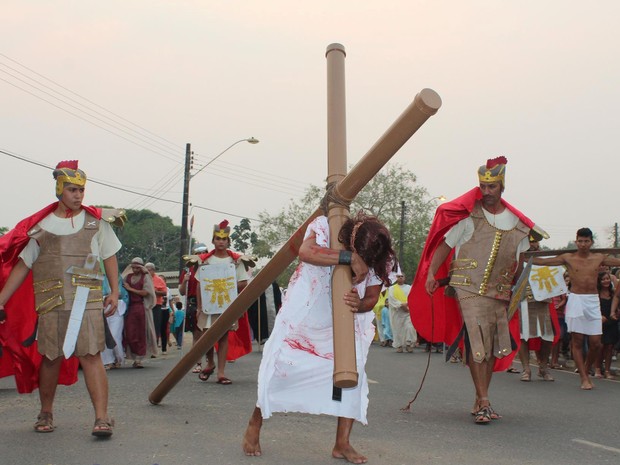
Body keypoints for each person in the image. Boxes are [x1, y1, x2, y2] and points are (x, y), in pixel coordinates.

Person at [242, 212, 394, 463]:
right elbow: (306, 251)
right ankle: (255, 422)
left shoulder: (381, 255)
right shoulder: (326, 226)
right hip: (306, 312)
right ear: (350, 240)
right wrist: (348, 258)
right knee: (279, 369)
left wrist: (361, 303)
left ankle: (342, 443)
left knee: (350, 377)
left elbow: (372, 297)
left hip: (345, 319)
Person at [410, 157, 546, 424]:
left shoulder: (519, 227)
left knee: (492, 346)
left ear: (502, 186)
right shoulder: (468, 216)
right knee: (477, 342)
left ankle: (480, 396)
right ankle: (484, 401)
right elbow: (444, 246)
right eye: (483, 186)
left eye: (492, 187)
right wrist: (430, 274)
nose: (486, 192)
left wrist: (518, 288)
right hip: (467, 288)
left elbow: (518, 268)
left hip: (499, 292)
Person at [0, 160, 123, 437]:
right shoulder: (41, 227)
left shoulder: (96, 222)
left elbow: (109, 256)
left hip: (88, 298)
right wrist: (1, 299)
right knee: (51, 358)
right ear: (59, 189)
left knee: (92, 355)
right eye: (72, 189)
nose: (78, 195)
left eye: (81, 189)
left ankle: (102, 418)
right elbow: (22, 266)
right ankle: (46, 412)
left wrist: (114, 291)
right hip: (52, 300)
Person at [532, 227, 620, 389]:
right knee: (577, 341)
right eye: (580, 241)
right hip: (575, 300)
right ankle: (584, 378)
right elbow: (543, 261)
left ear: (591, 242)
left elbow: (616, 261)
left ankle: (585, 370)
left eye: (586, 241)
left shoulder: (598, 257)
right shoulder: (568, 257)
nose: (583, 244)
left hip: (593, 301)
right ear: (576, 241)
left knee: (596, 343)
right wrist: (521, 256)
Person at [194, 220, 251, 384]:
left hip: (226, 304)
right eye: (217, 238)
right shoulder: (205, 260)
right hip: (208, 304)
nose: (220, 241)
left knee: (223, 336)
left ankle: (221, 372)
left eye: (224, 238)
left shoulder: (235, 261)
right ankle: (210, 363)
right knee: (207, 336)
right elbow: (199, 284)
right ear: (213, 240)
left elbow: (243, 283)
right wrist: (199, 307)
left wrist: (226, 284)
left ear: (228, 241)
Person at [517, 237, 557, 382]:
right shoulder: (517, 257)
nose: (533, 245)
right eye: (530, 241)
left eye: (535, 242)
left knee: (547, 336)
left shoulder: (545, 258)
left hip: (543, 300)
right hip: (524, 300)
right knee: (524, 335)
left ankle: (543, 367)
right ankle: (526, 368)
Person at [178, 243, 209, 373]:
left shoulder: (210, 268)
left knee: (207, 334)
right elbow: (182, 292)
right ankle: (198, 363)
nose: (200, 255)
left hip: (208, 303)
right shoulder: (188, 271)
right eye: (198, 253)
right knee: (196, 335)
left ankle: (209, 360)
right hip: (193, 303)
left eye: (203, 252)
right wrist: (185, 281)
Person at [122, 257, 157, 368]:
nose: (135, 269)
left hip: (141, 307)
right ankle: (132, 355)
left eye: (137, 267)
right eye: (133, 267)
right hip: (130, 308)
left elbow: (146, 292)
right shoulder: (127, 277)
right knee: (130, 333)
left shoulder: (145, 277)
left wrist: (131, 289)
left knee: (141, 333)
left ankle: (139, 359)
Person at [102, 272, 129, 370]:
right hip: (104, 310)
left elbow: (126, 298)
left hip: (117, 311)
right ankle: (109, 361)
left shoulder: (121, 283)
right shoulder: (101, 281)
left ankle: (119, 359)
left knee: (115, 336)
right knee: (104, 336)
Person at [596, 271, 617, 379]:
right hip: (599, 322)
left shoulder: (614, 293)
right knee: (600, 346)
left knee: (609, 346)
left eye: (607, 279)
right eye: (603, 279)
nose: (606, 281)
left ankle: (607, 370)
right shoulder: (596, 294)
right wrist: (599, 316)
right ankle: (598, 368)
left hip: (612, 321)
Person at [387, 273, 415, 353]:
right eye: (398, 276)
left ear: (404, 278)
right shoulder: (392, 288)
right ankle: (399, 346)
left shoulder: (409, 288)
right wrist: (402, 305)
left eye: (402, 276)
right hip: (397, 312)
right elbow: (392, 300)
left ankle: (409, 345)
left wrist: (406, 306)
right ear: (396, 278)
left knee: (409, 327)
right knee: (398, 329)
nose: (400, 278)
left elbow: (412, 297)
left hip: (408, 312)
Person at [145, 262, 167, 354]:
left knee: (155, 326)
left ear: (153, 270)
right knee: (146, 327)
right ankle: (147, 348)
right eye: (145, 270)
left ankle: (155, 348)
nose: (146, 271)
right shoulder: (144, 279)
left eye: (148, 270)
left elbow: (164, 293)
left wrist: (155, 292)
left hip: (156, 305)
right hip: (145, 305)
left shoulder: (158, 279)